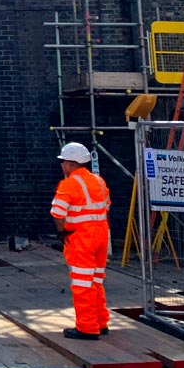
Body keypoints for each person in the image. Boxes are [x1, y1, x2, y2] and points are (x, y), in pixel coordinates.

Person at [50, 142, 111, 340]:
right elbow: (106, 206)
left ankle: (87, 327)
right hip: (101, 233)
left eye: (63, 162)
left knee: (82, 283)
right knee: (96, 281)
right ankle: (101, 322)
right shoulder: (99, 181)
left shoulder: (68, 184)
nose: (61, 165)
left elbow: (58, 212)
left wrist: (62, 233)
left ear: (70, 164)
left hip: (81, 237)